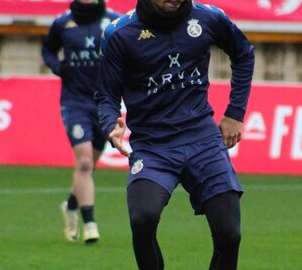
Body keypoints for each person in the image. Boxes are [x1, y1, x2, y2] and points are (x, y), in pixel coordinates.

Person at [95, 0, 255, 268]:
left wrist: (235, 113)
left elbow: (244, 53)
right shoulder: (119, 33)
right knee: (142, 218)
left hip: (202, 139)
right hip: (152, 145)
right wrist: (111, 123)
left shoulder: (208, 17)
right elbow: (106, 94)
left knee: (229, 233)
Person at [41, 0, 120, 244]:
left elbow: (128, 52)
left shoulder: (114, 21)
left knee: (89, 165)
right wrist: (58, 67)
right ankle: (90, 225)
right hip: (74, 102)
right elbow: (47, 51)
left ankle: (70, 205)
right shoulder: (63, 22)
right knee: (84, 162)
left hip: (104, 102)